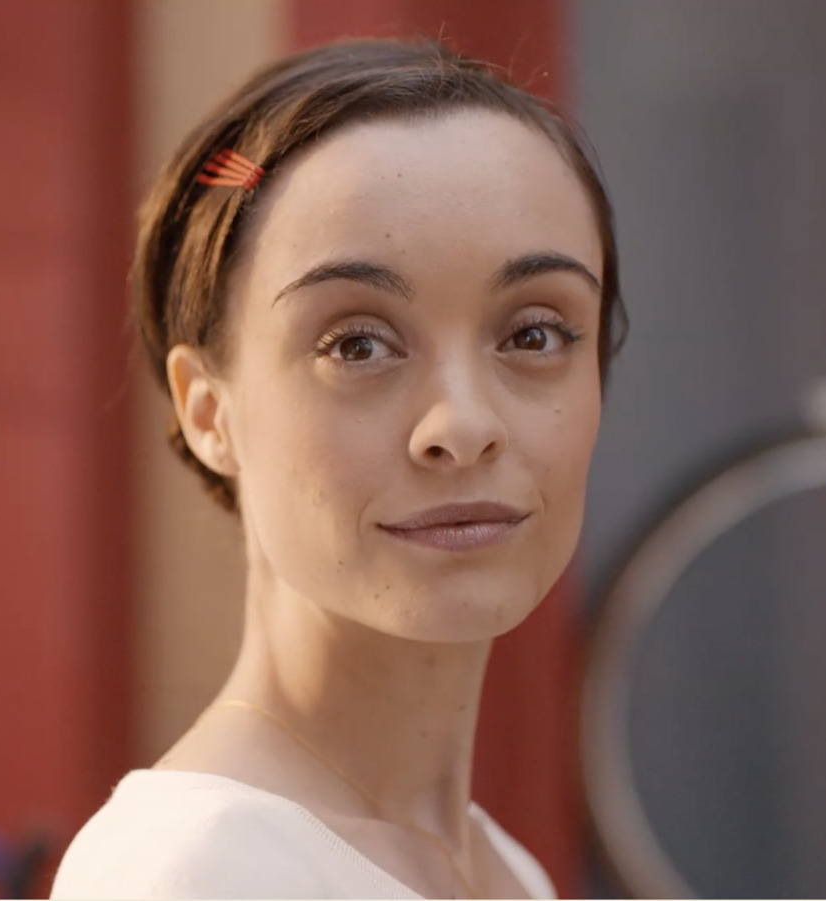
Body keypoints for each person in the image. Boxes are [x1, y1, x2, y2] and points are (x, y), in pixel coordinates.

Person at [51, 37, 624, 900]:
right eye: (357, 343)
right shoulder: (202, 874)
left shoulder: (505, 871)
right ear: (209, 411)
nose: (463, 425)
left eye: (533, 333)